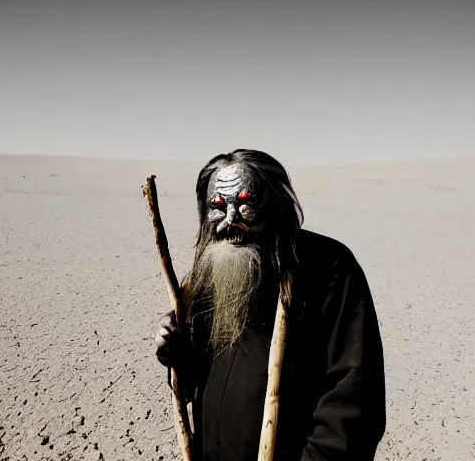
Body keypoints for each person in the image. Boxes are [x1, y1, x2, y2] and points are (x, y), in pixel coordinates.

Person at [155, 149, 386, 460]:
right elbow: (197, 382)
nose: (231, 220)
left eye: (246, 203)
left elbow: (353, 402)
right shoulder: (207, 275)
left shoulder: (327, 269)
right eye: (218, 207)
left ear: (275, 206)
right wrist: (176, 351)